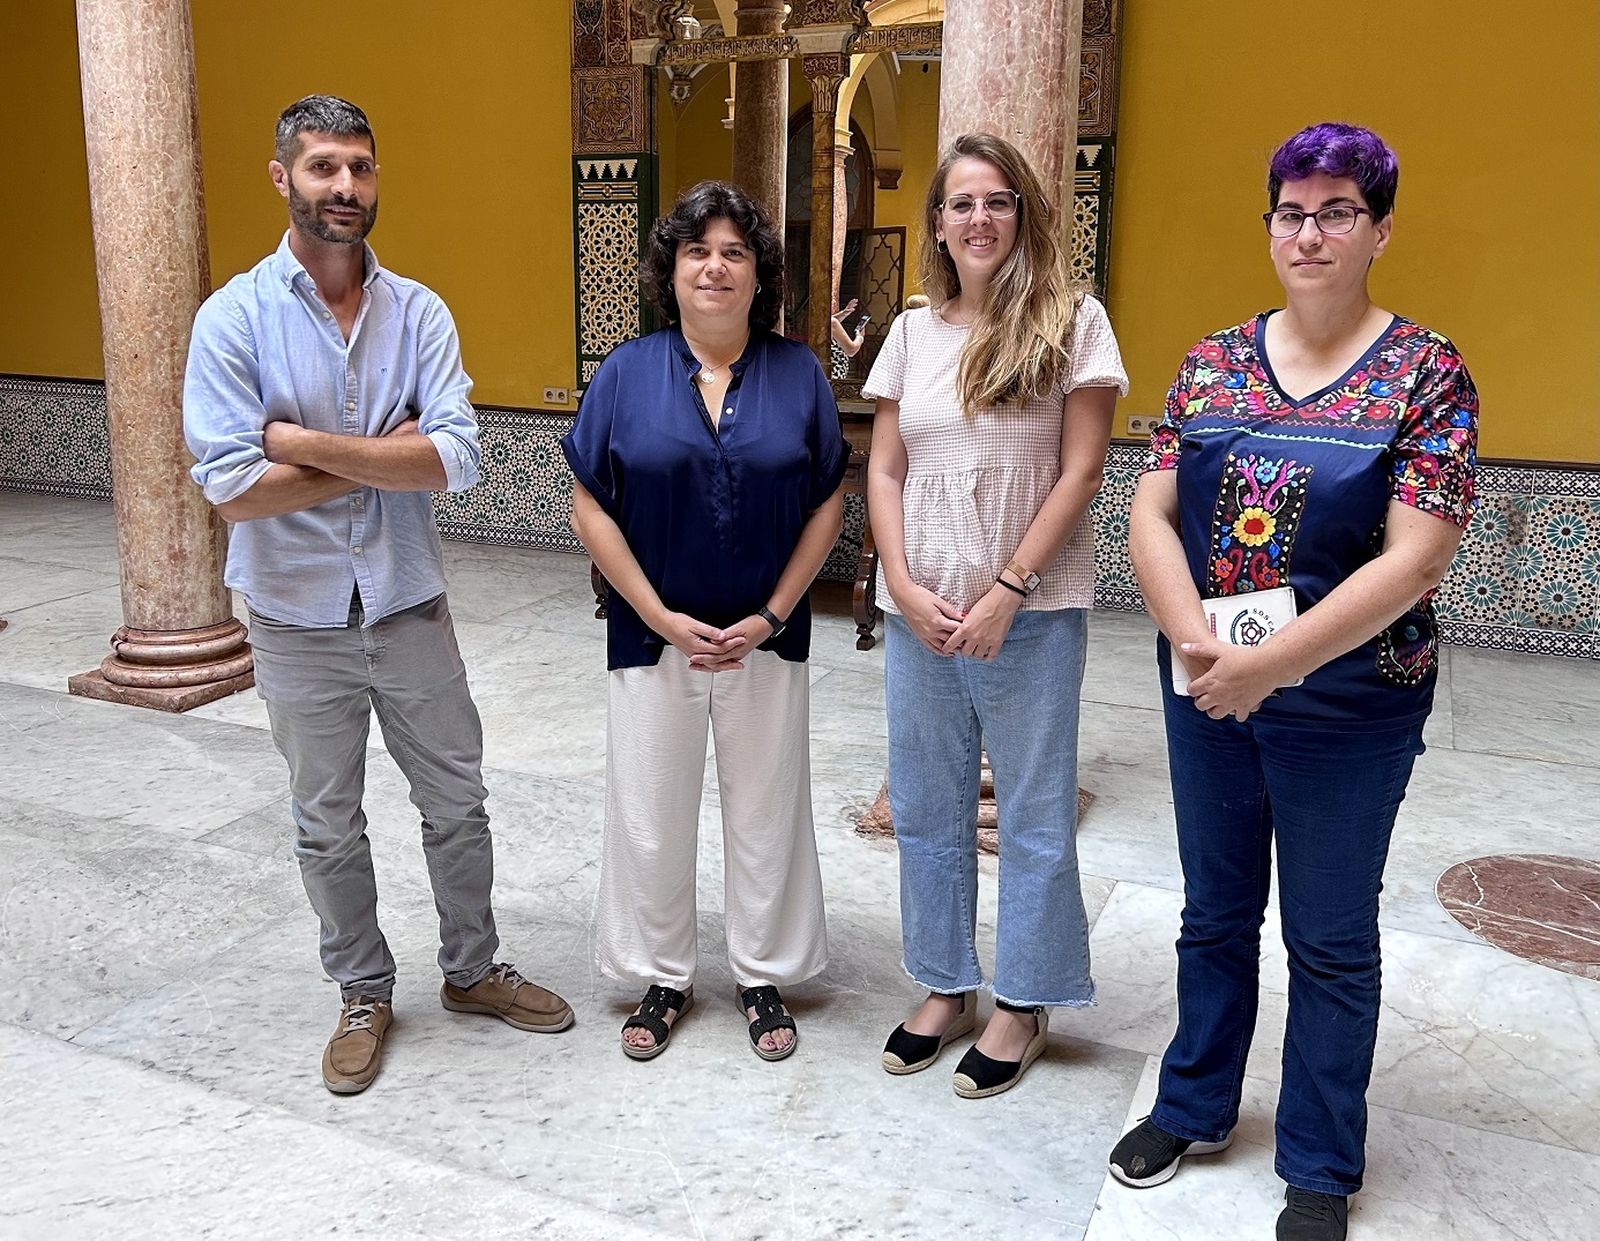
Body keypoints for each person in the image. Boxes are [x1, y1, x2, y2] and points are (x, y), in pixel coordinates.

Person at [1108, 123, 1478, 1241]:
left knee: (1326, 931)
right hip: (1210, 689)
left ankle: (1319, 1158)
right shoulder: (1215, 358)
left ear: (1378, 230)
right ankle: (1194, 1101)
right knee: (1212, 909)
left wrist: (1268, 664)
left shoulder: (1426, 371)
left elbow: (1416, 554)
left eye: (1335, 212)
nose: (1308, 233)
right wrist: (1197, 650)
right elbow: (1148, 510)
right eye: (1290, 211)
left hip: (1349, 702)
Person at [183, 95, 572, 1096]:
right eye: (322, 167)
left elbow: (457, 459)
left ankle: (475, 967)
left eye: (359, 166)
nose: (344, 187)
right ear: (283, 178)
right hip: (294, 615)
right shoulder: (233, 319)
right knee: (326, 818)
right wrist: (386, 455)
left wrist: (302, 443)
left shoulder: (419, 313)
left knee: (457, 800)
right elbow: (232, 485)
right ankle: (362, 989)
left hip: (406, 602)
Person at [563, 181, 849, 1063]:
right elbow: (588, 506)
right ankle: (663, 973)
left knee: (766, 807)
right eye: (697, 251)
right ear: (672, 271)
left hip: (766, 636)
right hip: (654, 637)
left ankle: (760, 972)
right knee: (651, 807)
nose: (715, 267)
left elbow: (829, 500)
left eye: (734, 252)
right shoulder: (626, 372)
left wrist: (772, 612)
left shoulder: (799, 373)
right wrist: (655, 612)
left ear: (759, 274)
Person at [864, 133, 1126, 1098]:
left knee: (1033, 811)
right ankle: (943, 982)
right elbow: (885, 465)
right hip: (921, 613)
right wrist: (898, 575)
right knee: (928, 807)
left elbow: (1082, 468)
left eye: (999, 200)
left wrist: (1010, 588)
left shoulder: (1072, 320)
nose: (979, 218)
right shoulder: (910, 332)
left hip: (1033, 612)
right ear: (937, 223)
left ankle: (1024, 997)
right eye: (962, 202)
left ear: (1025, 216)